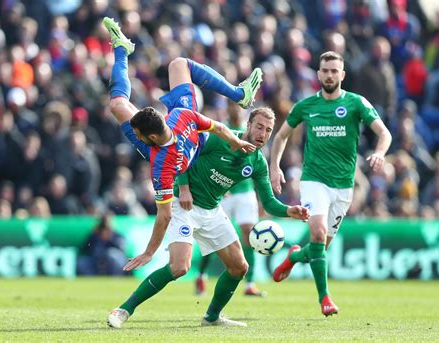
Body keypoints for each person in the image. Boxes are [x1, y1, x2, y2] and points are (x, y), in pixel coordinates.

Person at [107, 106, 310, 328]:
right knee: (179, 268)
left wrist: (289, 211)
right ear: (248, 125)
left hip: (212, 211)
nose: (263, 134)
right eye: (259, 127)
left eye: (269, 130)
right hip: (183, 205)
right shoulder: (218, 139)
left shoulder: (257, 162)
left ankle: (212, 317)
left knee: (239, 267)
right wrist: (183, 187)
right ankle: (124, 309)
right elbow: (182, 150)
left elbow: (269, 203)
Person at [102, 17, 261, 276]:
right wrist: (236, 141)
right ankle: (122, 47)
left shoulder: (160, 165)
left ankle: (240, 94)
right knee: (175, 67)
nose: (137, 135)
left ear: (149, 136)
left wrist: (149, 253)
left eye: (139, 133)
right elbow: (218, 127)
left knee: (121, 102)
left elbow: (164, 216)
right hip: (190, 146)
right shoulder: (184, 114)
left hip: (186, 151)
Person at [270, 51, 392, 316]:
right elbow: (280, 137)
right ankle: (324, 298)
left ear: (342, 75)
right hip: (314, 180)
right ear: (318, 74)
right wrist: (274, 166)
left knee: (319, 247)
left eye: (334, 71)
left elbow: (384, 133)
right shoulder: (305, 106)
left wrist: (380, 153)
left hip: (343, 186)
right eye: (325, 70)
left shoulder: (356, 103)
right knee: (316, 233)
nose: (329, 75)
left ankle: (294, 257)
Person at [195, 102, 266, 297]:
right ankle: (201, 275)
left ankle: (250, 283)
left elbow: (257, 170)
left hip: (245, 192)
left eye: (239, 106)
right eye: (233, 106)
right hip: (224, 192)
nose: (236, 109)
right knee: (212, 238)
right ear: (228, 108)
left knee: (250, 236)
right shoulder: (224, 130)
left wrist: (261, 201)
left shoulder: (254, 132)